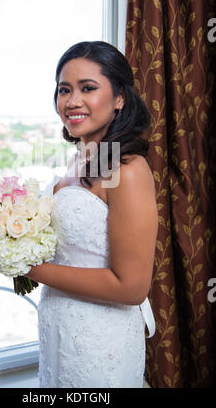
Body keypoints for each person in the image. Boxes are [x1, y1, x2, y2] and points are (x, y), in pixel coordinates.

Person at [23, 41, 159, 388]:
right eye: (64, 90)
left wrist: (31, 268)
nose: (72, 101)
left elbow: (131, 287)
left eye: (88, 88)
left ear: (119, 98)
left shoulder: (127, 170)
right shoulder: (81, 159)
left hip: (100, 337)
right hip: (59, 326)